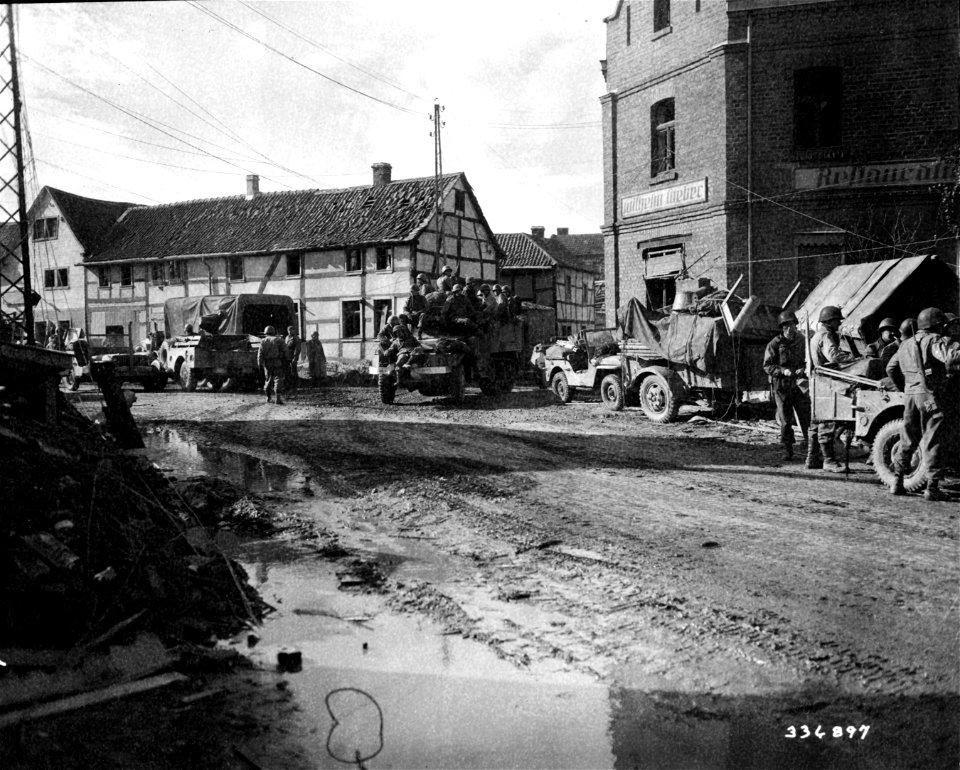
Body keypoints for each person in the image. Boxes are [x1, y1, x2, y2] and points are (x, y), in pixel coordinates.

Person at [885, 307, 960, 501]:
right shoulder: (935, 341)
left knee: (908, 438)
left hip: (911, 396)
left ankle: (897, 482)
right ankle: (932, 487)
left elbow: (891, 367)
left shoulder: (905, 344)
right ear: (936, 325)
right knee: (935, 439)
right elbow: (951, 356)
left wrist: (905, 387)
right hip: (930, 396)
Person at [806, 305, 856, 472]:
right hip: (826, 382)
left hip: (816, 381)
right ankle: (829, 461)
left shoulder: (815, 336)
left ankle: (812, 458)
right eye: (836, 321)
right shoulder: (826, 336)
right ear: (829, 321)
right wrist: (852, 357)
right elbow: (833, 355)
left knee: (816, 422)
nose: (838, 324)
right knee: (827, 421)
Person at [763, 310, 809, 461]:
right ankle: (787, 450)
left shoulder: (802, 340)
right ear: (782, 328)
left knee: (805, 416)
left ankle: (811, 448)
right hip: (782, 386)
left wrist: (804, 368)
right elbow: (767, 366)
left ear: (796, 326)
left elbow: (807, 358)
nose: (789, 329)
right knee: (786, 420)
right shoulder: (774, 344)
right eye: (785, 327)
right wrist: (783, 371)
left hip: (799, 384)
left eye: (791, 326)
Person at [258, 325, 285, 404]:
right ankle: (278, 398)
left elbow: (260, 354)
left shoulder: (263, 341)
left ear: (265, 332)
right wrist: (286, 361)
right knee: (278, 380)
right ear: (274, 332)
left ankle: (268, 398)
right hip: (277, 362)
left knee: (268, 380)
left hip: (267, 363)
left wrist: (259, 363)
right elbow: (285, 351)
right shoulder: (279, 340)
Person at [284, 326, 301, 393]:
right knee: (287, 372)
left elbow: (297, 349)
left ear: (294, 330)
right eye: (289, 330)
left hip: (292, 357)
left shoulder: (296, 338)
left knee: (293, 372)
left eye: (292, 330)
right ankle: (288, 386)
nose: (290, 331)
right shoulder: (287, 337)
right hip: (287, 357)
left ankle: (295, 387)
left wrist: (295, 358)